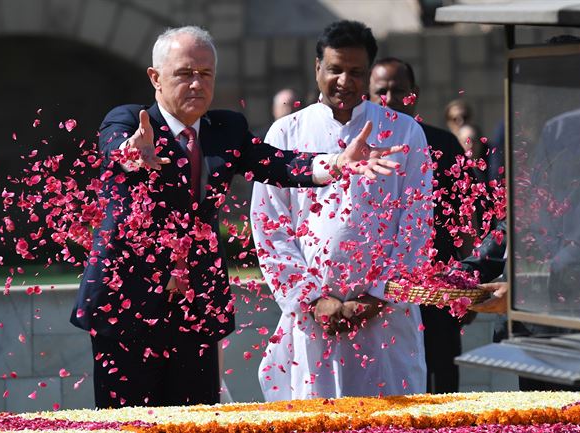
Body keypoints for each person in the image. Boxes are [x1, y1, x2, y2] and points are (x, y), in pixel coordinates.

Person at [70, 25, 403, 408]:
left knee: (195, 418)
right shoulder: (130, 121)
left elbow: (278, 164)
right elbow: (116, 148)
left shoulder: (225, 129)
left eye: (206, 74)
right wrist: (131, 154)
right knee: (126, 421)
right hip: (128, 302)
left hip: (195, 304)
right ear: (155, 78)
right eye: (185, 73)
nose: (197, 84)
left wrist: (338, 162)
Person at [251, 20, 432, 400]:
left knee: (391, 419)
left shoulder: (404, 132)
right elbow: (270, 227)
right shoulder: (285, 134)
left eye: (356, 72)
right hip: (313, 318)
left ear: (369, 74)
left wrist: (378, 296)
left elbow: (416, 223)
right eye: (335, 69)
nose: (344, 82)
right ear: (317, 67)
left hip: (385, 317)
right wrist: (313, 300)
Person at [369, 57, 473, 394]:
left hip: (437, 282)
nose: (389, 99)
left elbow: (465, 219)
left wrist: (466, 281)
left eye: (398, 91)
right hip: (383, 288)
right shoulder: (361, 149)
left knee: (442, 379)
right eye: (380, 91)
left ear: (414, 94)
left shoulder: (442, 144)